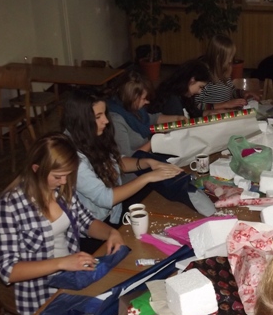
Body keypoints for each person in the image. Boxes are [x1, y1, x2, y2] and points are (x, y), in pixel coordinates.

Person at [0, 133, 125, 315]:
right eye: (58, 176)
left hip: (72, 279)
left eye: (67, 175)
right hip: (41, 295)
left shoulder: (61, 189)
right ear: (36, 169)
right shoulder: (11, 205)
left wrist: (111, 233)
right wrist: (62, 263)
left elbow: (86, 221)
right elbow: (8, 271)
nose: (64, 181)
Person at [63, 89, 186, 227]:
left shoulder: (89, 134)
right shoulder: (72, 157)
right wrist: (148, 177)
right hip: (95, 226)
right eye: (98, 116)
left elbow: (115, 161)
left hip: (112, 214)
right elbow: (105, 198)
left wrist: (148, 162)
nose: (106, 121)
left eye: (104, 114)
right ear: (81, 120)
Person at [106, 71, 216, 216]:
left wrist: (176, 118)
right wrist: (154, 141)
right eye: (144, 99)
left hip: (148, 168)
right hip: (133, 182)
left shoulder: (134, 110)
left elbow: (153, 118)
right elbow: (127, 161)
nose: (147, 102)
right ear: (132, 97)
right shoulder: (116, 120)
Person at [194, 34, 259, 112]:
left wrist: (243, 93)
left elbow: (231, 91)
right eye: (229, 56)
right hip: (212, 116)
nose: (231, 60)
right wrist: (225, 104)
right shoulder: (204, 75)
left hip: (227, 114)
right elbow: (196, 105)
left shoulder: (225, 71)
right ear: (218, 57)